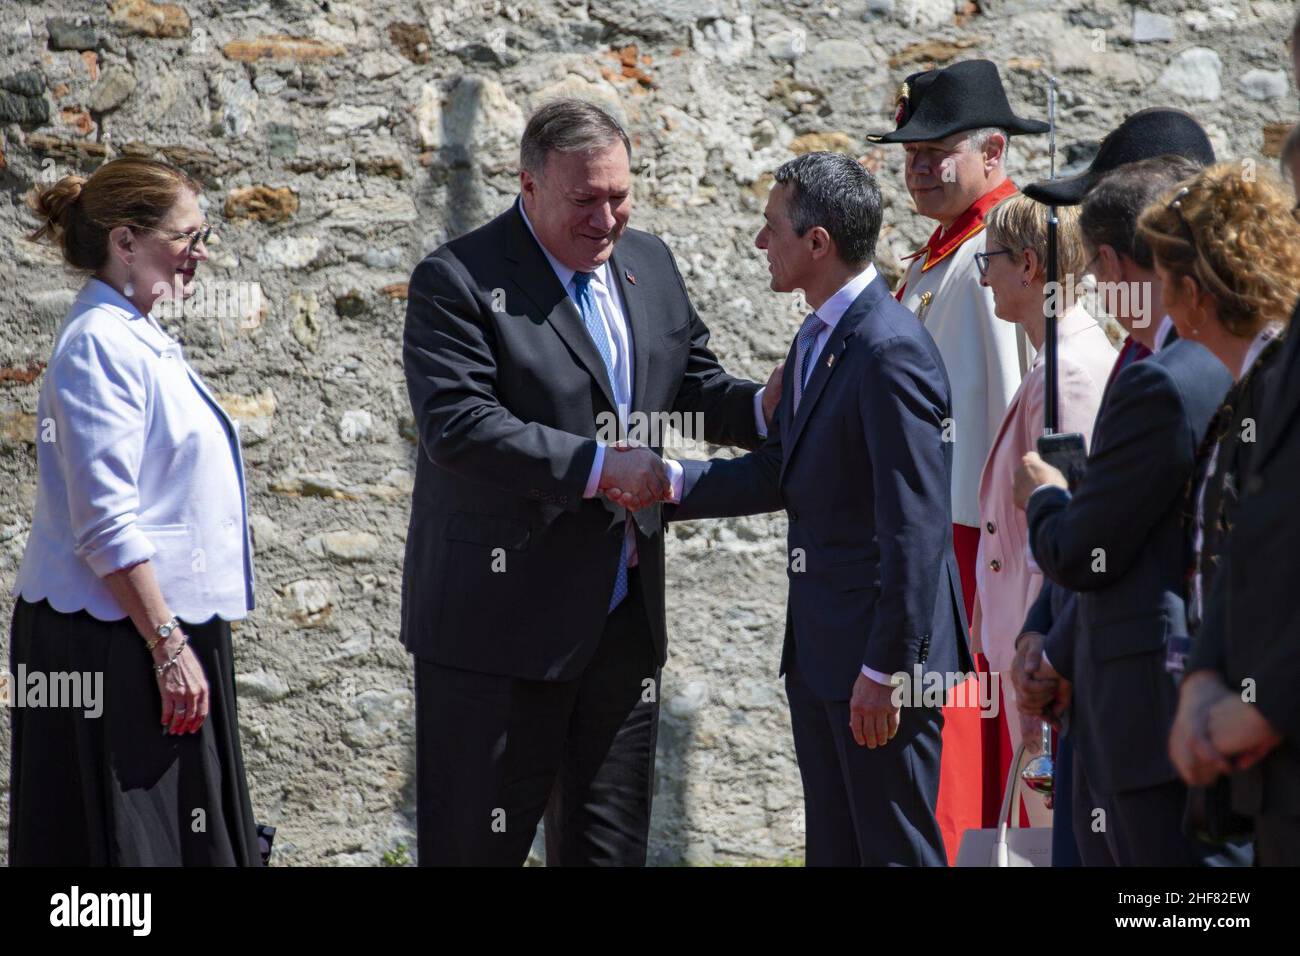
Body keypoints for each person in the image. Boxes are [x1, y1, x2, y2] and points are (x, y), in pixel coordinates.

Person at [401, 99, 779, 866]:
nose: (607, 218)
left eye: (620, 196)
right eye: (585, 200)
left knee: (608, 853)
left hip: (619, 628)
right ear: (528, 185)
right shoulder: (458, 281)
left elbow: (692, 388)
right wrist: (603, 468)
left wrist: (774, 405)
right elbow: (460, 426)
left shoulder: (649, 263)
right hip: (497, 635)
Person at [662, 151, 972, 865]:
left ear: (817, 244)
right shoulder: (819, 336)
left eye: (772, 227)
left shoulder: (888, 348)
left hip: (876, 664)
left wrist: (884, 670)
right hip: (825, 655)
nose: (759, 242)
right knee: (837, 849)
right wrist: (670, 482)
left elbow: (916, 525)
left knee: (893, 852)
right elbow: (785, 474)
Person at [9, 158, 261, 866]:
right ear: (125, 242)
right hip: (117, 642)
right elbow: (106, 523)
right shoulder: (98, 346)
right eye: (188, 235)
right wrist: (168, 647)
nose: (202, 252)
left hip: (150, 633)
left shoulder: (133, 333)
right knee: (124, 856)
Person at [1008, 155, 1237, 863]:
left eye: (1101, 277)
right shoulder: (1184, 363)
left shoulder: (1168, 379)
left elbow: (1092, 546)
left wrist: (1044, 495)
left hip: (1145, 703)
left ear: (1112, 261)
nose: (1101, 296)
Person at [865, 56, 1046, 855]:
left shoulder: (999, 251)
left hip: (978, 542)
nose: (921, 167)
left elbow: (1018, 402)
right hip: (942, 536)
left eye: (939, 150)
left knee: (978, 748)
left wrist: (1001, 547)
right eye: (910, 153)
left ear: (994, 154)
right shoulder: (948, 249)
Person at [1148, 166, 1300, 865]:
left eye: (1160, 277)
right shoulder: (1248, 393)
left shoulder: (1274, 386)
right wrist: (1206, 682)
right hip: (1252, 769)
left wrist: (1261, 702)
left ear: (1194, 291)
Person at [971, 195, 1116, 828]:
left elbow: (1067, 536)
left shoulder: (1069, 373)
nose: (983, 276)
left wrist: (1042, 658)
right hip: (1032, 651)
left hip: (1044, 660)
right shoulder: (1050, 361)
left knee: (1055, 832)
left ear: (1028, 266)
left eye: (990, 261)